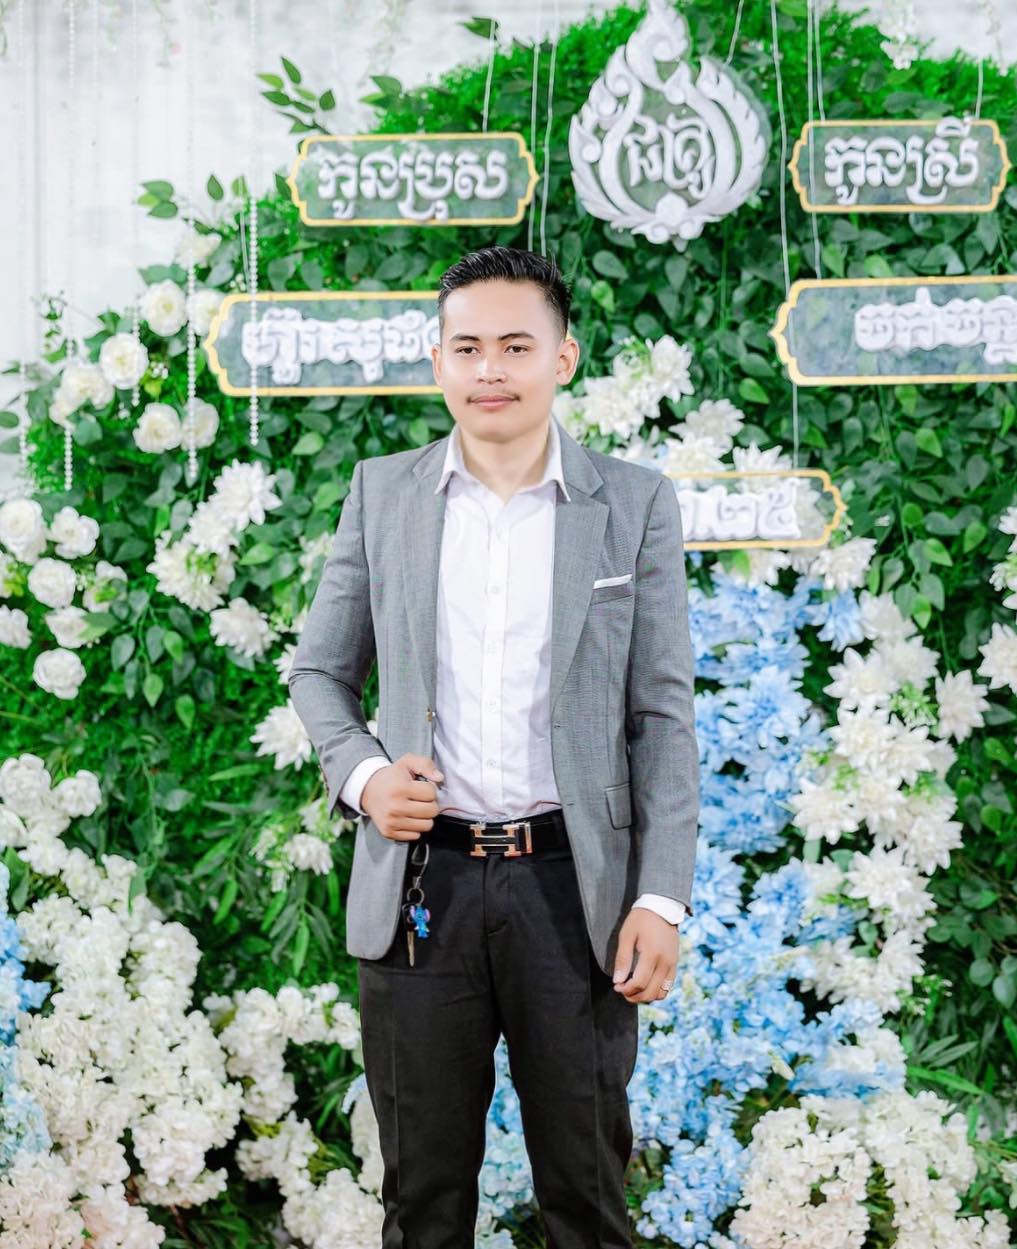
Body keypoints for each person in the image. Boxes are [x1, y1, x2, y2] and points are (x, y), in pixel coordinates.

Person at [287, 245, 699, 1249]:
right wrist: (368, 777)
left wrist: (660, 898)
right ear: (438, 362)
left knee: (588, 1198)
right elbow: (319, 672)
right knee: (424, 1202)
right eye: (467, 347)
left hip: (575, 893)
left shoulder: (634, 502)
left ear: (563, 357)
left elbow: (661, 716)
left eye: (516, 346)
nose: (490, 370)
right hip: (422, 889)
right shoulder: (383, 494)